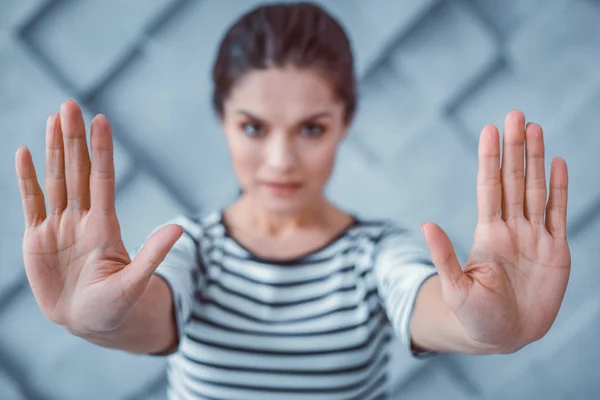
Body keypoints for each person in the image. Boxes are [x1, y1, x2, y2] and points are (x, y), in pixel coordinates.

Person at [14, 2, 571, 399]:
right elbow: (144, 314)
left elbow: (431, 304)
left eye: (311, 129)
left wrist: (489, 329)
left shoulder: (375, 253)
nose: (281, 161)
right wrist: (97, 322)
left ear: (345, 123)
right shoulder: (191, 250)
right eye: (254, 127)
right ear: (222, 121)